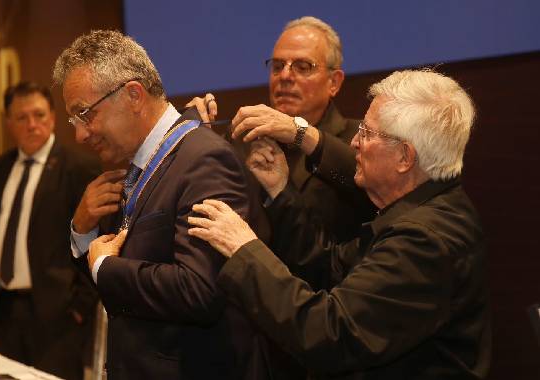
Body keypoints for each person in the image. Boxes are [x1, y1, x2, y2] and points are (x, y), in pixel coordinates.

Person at [187, 69, 491, 379]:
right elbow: (330, 269)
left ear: (404, 157)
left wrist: (245, 251)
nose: (355, 142)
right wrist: (280, 192)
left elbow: (328, 334)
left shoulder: (423, 239)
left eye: (367, 132)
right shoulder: (421, 210)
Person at [54, 30, 270, 379]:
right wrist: (85, 233)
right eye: (74, 121)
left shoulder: (205, 160)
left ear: (133, 95)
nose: (80, 134)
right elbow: (121, 272)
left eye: (85, 114)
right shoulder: (137, 165)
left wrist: (106, 267)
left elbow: (200, 289)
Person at [188, 16, 375, 291]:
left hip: (327, 297)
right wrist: (196, 141)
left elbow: (366, 183)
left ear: (334, 82)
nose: (285, 76)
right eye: (277, 66)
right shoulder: (242, 139)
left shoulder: (358, 139)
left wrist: (299, 132)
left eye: (303, 66)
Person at [0, 81, 98, 379]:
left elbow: (96, 239)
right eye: (22, 117)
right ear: (9, 123)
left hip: (57, 316)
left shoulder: (78, 168)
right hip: (0, 309)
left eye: (39, 115)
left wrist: (79, 307)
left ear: (53, 117)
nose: (32, 124)